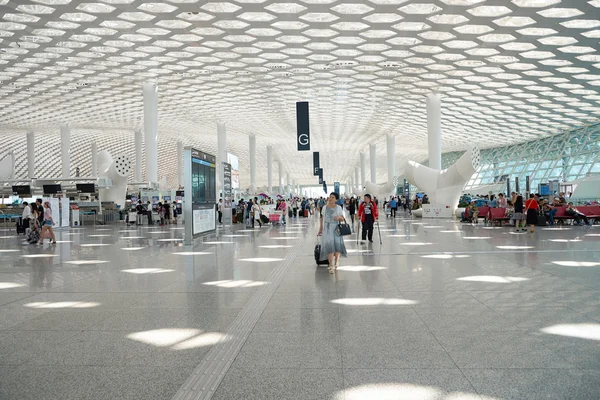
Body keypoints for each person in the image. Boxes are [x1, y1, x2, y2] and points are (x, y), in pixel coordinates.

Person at [318, 192, 347, 274]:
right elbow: (321, 218)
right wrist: (321, 228)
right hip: (327, 228)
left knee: (337, 246)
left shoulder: (338, 208)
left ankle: (336, 262)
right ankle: (331, 265)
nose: (331, 199)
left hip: (336, 228)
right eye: (330, 197)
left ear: (336, 200)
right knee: (329, 247)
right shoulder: (324, 207)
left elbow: (342, 218)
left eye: (333, 197)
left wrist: (338, 218)